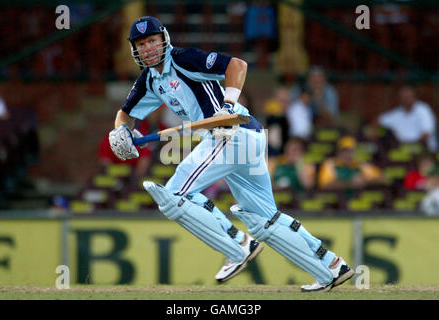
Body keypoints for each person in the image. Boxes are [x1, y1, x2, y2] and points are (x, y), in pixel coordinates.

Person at [108, 16, 354, 292]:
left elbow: (237, 65)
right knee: (264, 219)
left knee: (173, 196)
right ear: (135, 50)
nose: (149, 48)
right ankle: (330, 265)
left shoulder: (184, 58)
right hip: (248, 136)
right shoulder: (150, 80)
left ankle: (237, 244)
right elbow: (126, 114)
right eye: (142, 44)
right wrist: (121, 132)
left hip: (230, 133)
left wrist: (228, 103)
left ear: (163, 39)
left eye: (152, 41)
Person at [377, 85, 437, 152]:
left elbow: (426, 134)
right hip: (401, 148)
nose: (406, 99)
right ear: (399, 98)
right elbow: (379, 120)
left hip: (423, 149)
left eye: (408, 96)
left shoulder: (423, 109)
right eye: (403, 97)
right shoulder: (397, 113)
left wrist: (411, 144)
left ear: (414, 96)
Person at [318, 136, 386, 191]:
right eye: (345, 151)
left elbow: (383, 179)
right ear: (338, 152)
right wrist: (350, 183)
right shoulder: (330, 164)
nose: (348, 154)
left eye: (351, 151)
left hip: (358, 203)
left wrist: (365, 180)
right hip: (336, 204)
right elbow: (325, 185)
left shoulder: (361, 165)